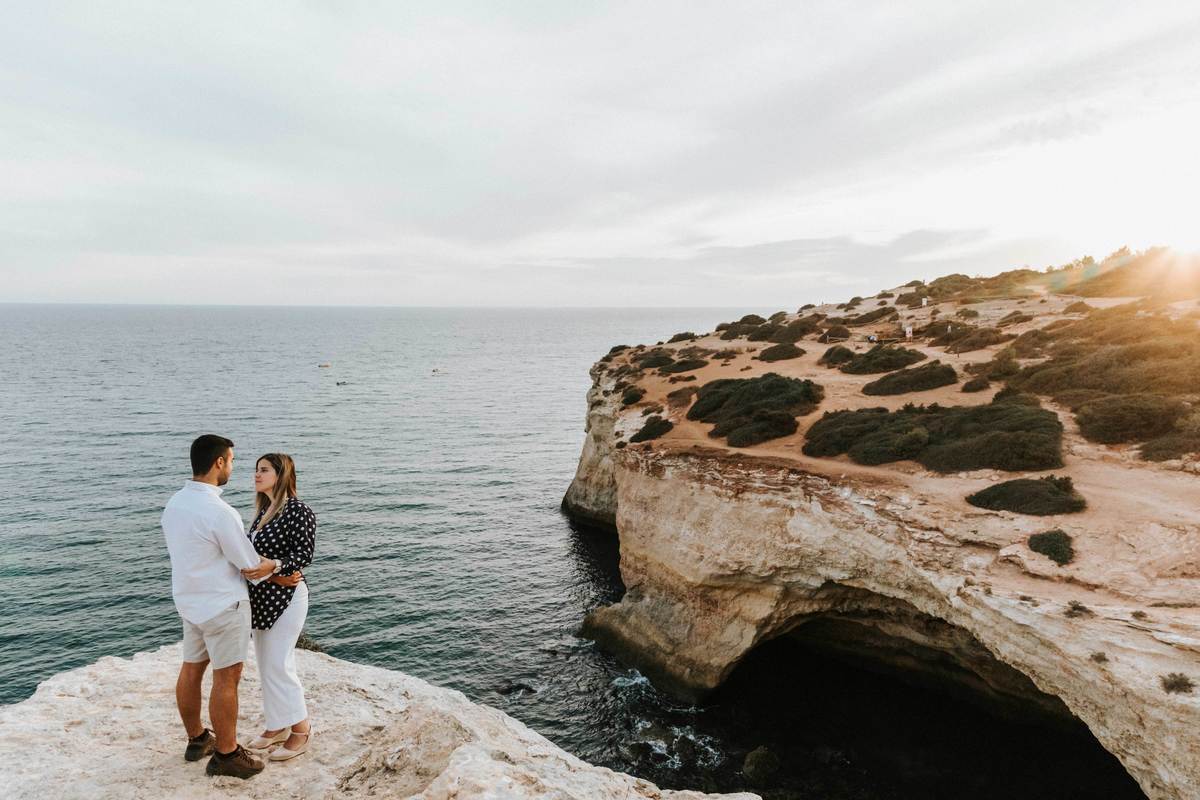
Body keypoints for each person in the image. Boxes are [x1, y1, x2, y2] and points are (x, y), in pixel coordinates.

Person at [161, 434, 277, 779]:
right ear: (219, 462)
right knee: (227, 678)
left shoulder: (175, 504)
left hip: (190, 602)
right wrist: (277, 567)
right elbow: (249, 564)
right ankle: (227, 754)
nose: (233, 468)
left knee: (191, 669)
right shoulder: (219, 512)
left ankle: (197, 739)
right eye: (232, 461)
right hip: (223, 605)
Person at [240, 453, 317, 760]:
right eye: (256, 470)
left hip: (288, 598)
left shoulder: (298, 510)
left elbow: (304, 554)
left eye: (264, 470)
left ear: (281, 474)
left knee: (279, 664)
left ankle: (302, 730)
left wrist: (275, 567)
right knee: (266, 664)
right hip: (263, 597)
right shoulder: (264, 511)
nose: (256, 475)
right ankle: (277, 725)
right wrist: (270, 573)